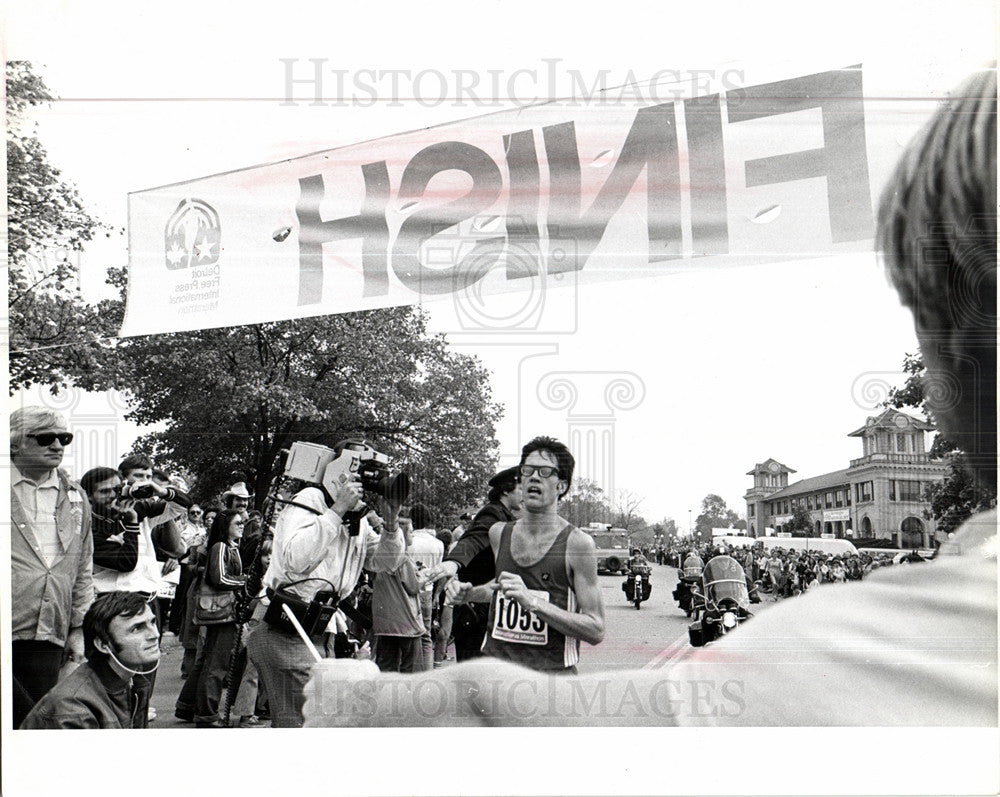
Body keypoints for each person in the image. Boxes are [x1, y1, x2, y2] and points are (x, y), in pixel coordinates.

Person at [304, 68, 996, 728]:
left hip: (547, 691)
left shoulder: (580, 546)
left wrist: (535, 614)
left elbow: (591, 632)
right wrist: (466, 583)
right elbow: (451, 576)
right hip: (489, 671)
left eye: (541, 476)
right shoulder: (488, 530)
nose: (529, 485)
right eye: (523, 475)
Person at [246, 439, 407, 727]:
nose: (365, 485)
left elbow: (386, 562)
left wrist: (392, 521)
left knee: (318, 721)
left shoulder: (357, 517)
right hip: (285, 626)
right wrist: (338, 510)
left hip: (321, 630)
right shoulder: (310, 499)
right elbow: (296, 559)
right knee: (302, 722)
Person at [450, 437, 605, 673]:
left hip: (550, 683)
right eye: (528, 470)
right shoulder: (499, 533)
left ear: (561, 486)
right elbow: (501, 588)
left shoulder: (578, 544)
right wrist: (470, 593)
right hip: (498, 678)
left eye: (544, 471)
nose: (533, 476)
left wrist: (533, 603)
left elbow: (595, 629)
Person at [10, 406, 94, 730]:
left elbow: (82, 567)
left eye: (64, 438)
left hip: (50, 633)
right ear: (15, 443)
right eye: (46, 438)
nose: (57, 445)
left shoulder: (76, 497)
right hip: (8, 629)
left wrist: (78, 628)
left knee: (37, 725)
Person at [421, 466, 522, 661]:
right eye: (520, 489)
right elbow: (473, 540)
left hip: (482, 609)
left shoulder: (506, 517)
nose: (524, 495)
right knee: (474, 680)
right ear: (506, 491)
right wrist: (453, 562)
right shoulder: (492, 514)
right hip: (475, 612)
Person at [20, 591, 161, 729]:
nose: (155, 634)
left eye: (153, 622)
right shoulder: (73, 708)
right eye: (137, 628)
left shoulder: (134, 681)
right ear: (103, 645)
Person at [175, 509, 247, 727]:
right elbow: (219, 578)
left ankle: (187, 706)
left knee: (206, 661)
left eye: (242, 522)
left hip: (219, 611)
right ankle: (207, 714)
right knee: (217, 664)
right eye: (237, 523)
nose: (242, 525)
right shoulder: (221, 547)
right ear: (226, 527)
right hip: (222, 613)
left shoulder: (229, 547)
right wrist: (245, 581)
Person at [371, 515, 425, 673]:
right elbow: (413, 588)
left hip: (385, 622)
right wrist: (423, 576)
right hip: (406, 621)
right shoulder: (403, 560)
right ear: (402, 534)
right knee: (411, 669)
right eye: (410, 532)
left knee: (387, 667)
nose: (412, 535)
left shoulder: (379, 558)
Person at [406, 503, 443, 671]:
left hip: (406, 591)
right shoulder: (437, 544)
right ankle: (427, 673)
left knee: (406, 634)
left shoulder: (408, 541)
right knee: (426, 636)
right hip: (427, 591)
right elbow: (438, 571)